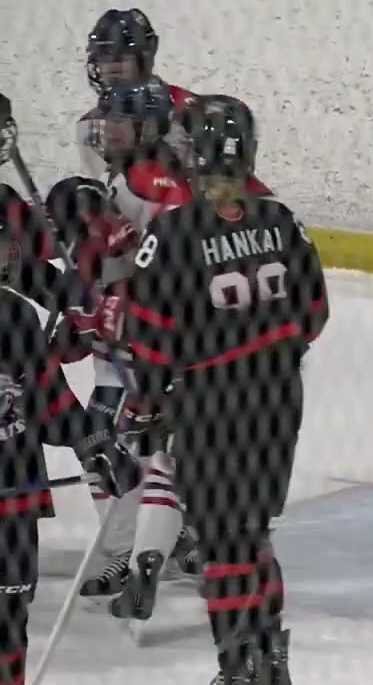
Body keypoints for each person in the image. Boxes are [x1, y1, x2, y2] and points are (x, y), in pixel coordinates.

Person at [78, 94, 328, 684]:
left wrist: (143, 406)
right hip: (277, 401)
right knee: (253, 536)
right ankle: (270, 659)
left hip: (209, 407)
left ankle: (237, 669)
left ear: (194, 155)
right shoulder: (281, 218)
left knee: (221, 547)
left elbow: (151, 338)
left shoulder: (174, 232)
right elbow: (315, 312)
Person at [0, 102, 142, 685]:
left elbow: (47, 398)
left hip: (11, 494)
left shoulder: (13, 316)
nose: (10, 252)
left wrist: (91, 441)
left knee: (10, 617)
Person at [55, 76, 204, 600]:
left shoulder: (156, 184)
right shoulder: (128, 178)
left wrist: (120, 300)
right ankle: (154, 541)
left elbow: (173, 267)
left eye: (119, 123)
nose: (108, 132)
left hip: (161, 339)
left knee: (137, 440)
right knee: (109, 438)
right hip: (126, 338)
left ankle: (142, 546)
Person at [77, 8, 197, 176]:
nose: (111, 67)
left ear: (145, 59)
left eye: (120, 57)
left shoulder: (187, 112)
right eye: (103, 57)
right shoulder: (89, 125)